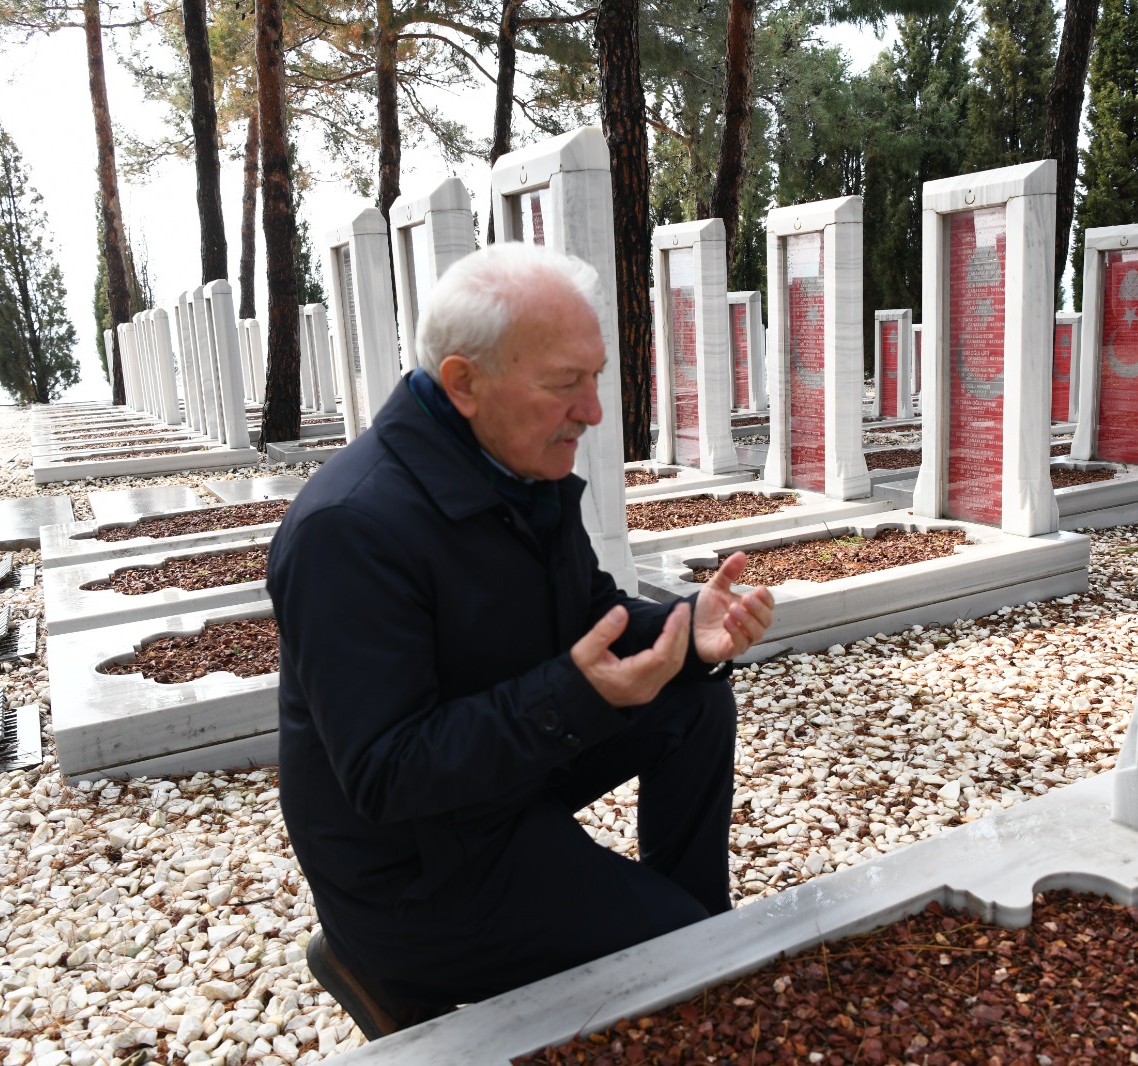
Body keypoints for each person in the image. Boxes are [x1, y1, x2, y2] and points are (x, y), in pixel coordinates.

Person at [267, 242, 775, 1039]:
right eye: (565, 385)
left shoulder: (509, 466)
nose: (595, 411)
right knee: (677, 953)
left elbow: (588, 613)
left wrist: (686, 627)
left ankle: (687, 945)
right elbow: (385, 773)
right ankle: (387, 966)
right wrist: (570, 698)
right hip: (414, 869)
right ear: (464, 382)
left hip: (493, 791)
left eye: (595, 377)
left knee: (692, 701)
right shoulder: (351, 529)